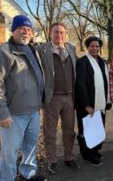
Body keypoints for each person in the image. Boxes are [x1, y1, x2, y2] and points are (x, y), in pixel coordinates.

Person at [0, 15, 46, 181]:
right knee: (9, 153)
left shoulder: (33, 49)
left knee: (30, 147)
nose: (26, 32)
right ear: (13, 30)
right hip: (13, 114)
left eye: (28, 29)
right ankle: (6, 178)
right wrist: (2, 113)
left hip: (34, 111)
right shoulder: (3, 52)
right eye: (22, 28)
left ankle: (28, 174)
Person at [37, 23, 79, 174]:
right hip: (52, 98)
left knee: (69, 131)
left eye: (62, 32)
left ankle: (69, 157)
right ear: (50, 33)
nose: (59, 35)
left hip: (69, 97)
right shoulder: (41, 50)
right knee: (50, 132)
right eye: (56, 32)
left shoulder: (71, 49)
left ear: (65, 34)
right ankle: (52, 160)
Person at [75, 36, 111, 166]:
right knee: (87, 131)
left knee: (97, 130)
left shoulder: (102, 61)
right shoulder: (82, 62)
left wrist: (108, 99)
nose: (95, 48)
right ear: (87, 47)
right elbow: (80, 85)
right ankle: (87, 155)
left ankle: (94, 151)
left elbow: (106, 81)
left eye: (97, 46)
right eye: (92, 46)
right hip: (88, 105)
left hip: (100, 103)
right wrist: (87, 105)